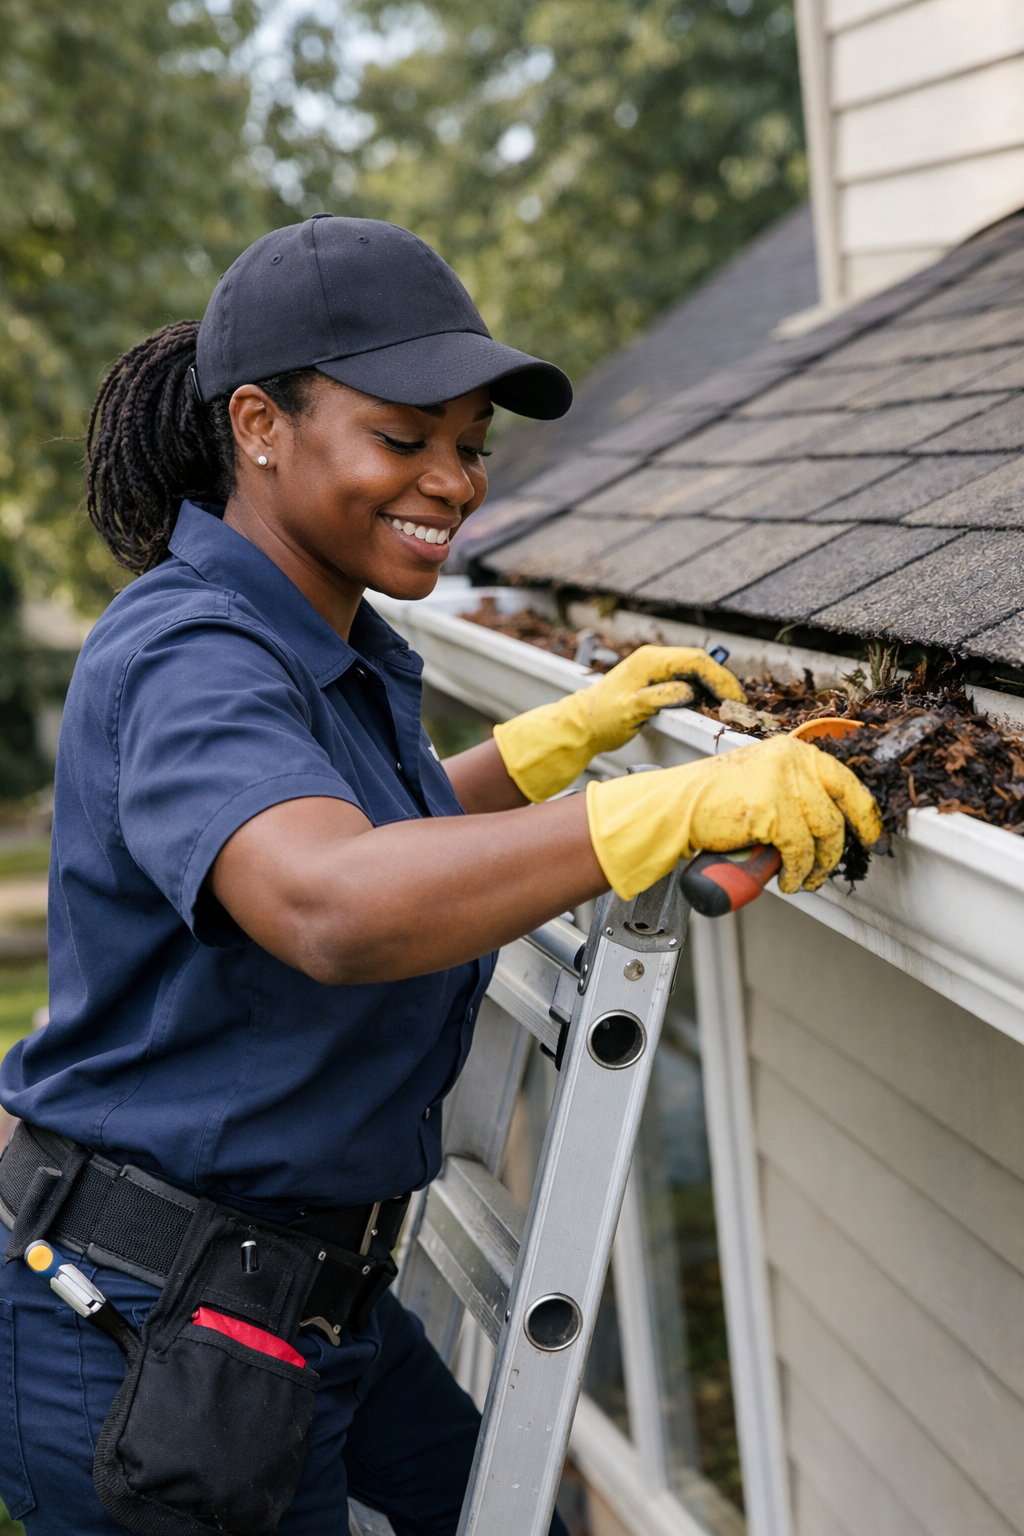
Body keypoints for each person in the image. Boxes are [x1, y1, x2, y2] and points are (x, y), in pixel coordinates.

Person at [0, 215, 880, 1535]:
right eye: (403, 439)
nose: (453, 484)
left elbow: (361, 828)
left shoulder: (310, 640)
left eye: (469, 446)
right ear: (259, 425)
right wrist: (655, 807)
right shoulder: (193, 653)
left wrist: (541, 754)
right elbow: (329, 901)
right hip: (148, 1329)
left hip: (298, 1303)